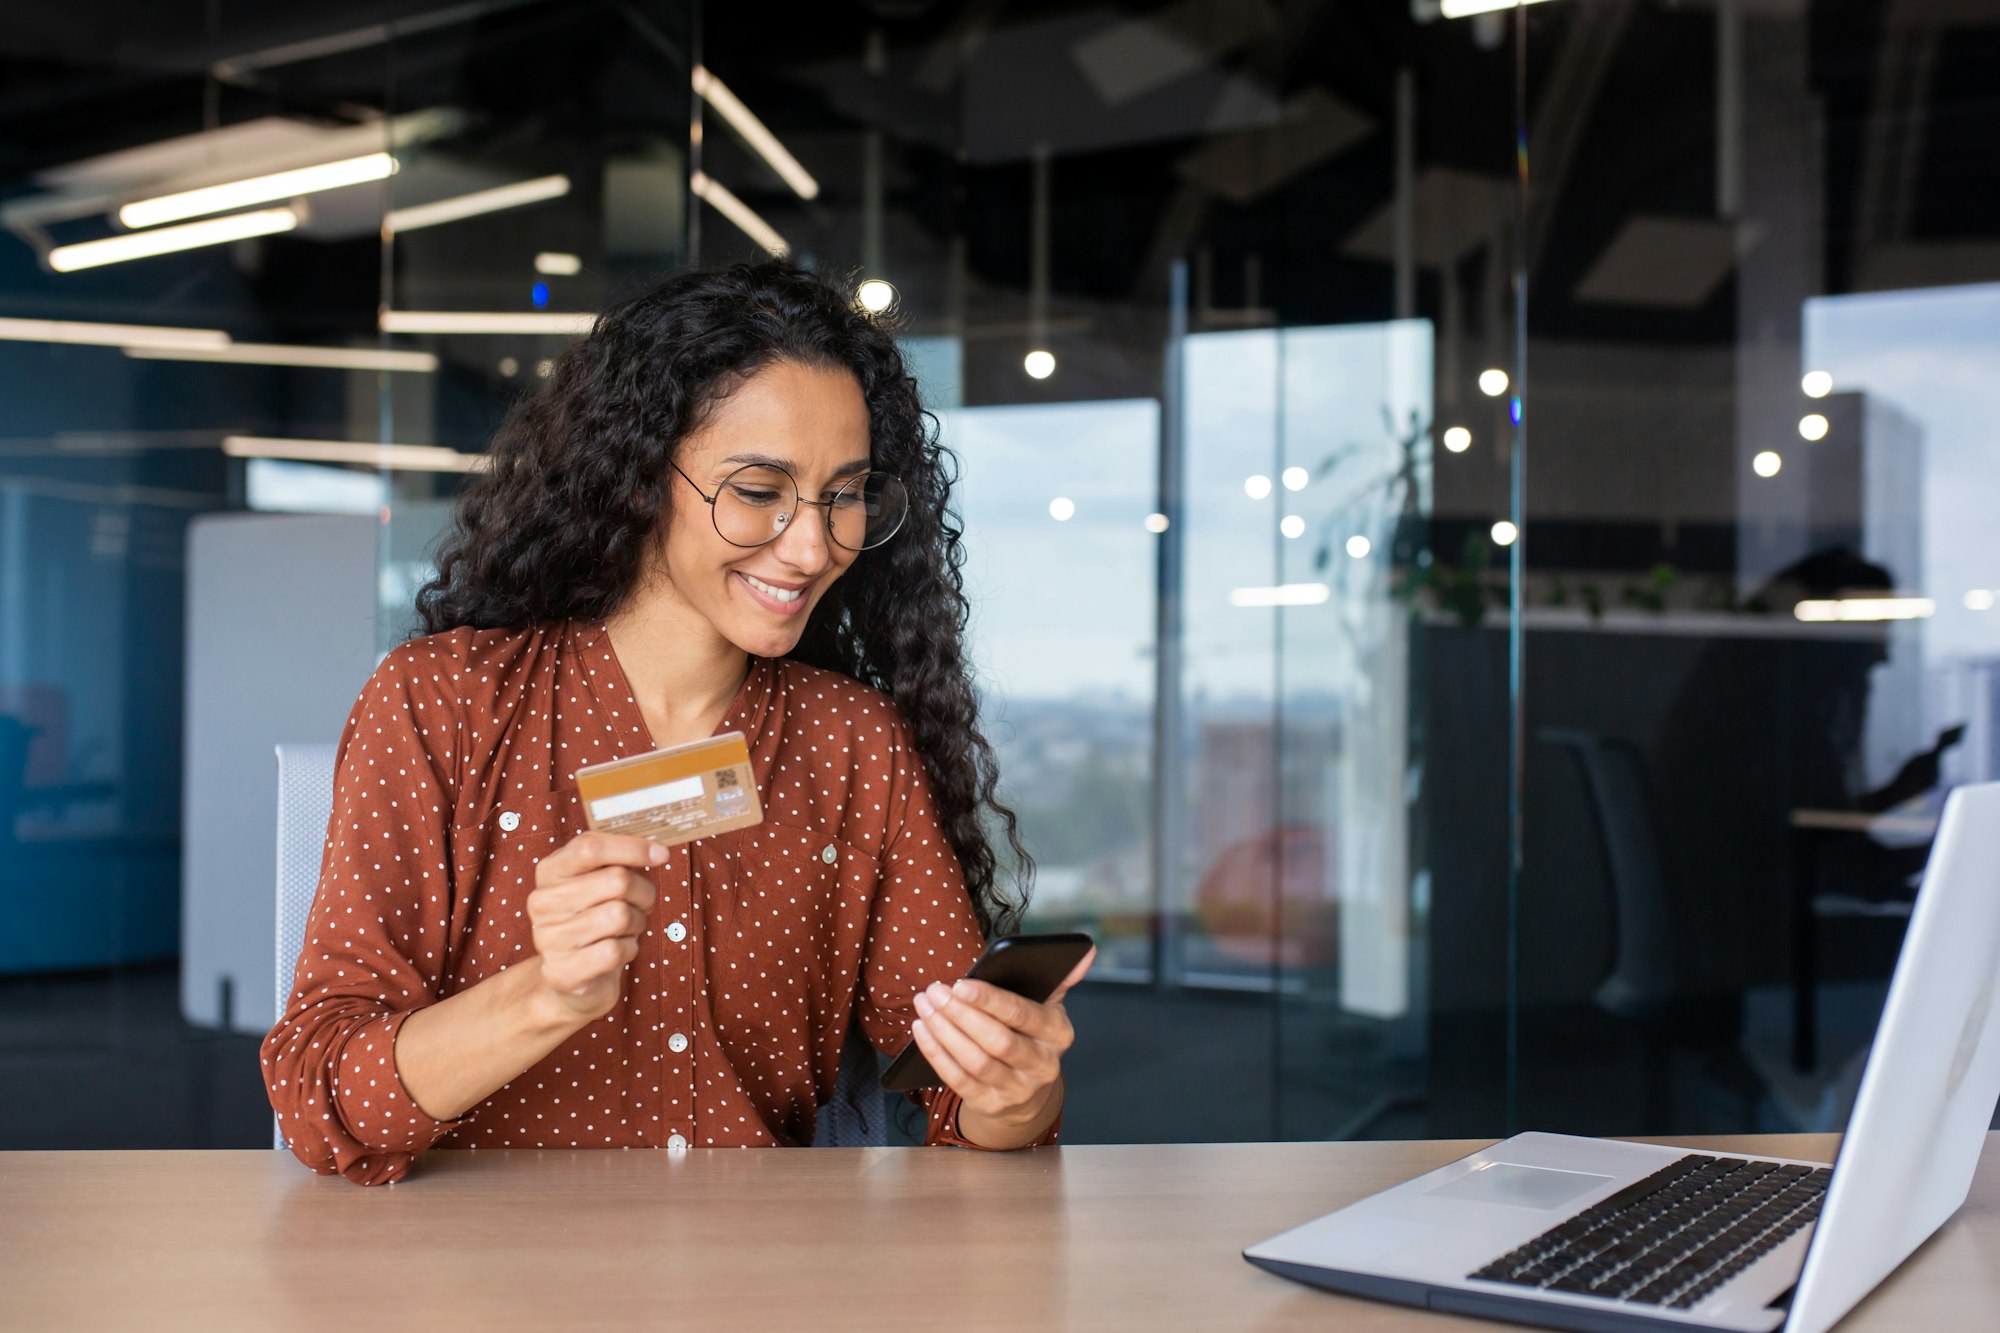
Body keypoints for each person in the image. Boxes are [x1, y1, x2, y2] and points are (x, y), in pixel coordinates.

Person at [263, 261, 1093, 1185]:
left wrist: (1011, 1090)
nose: (814, 545)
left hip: (754, 1283)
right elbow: (319, 1094)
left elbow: (959, 1097)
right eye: (756, 490)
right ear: (640, 474)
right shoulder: (444, 703)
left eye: (843, 494)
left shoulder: (851, 744)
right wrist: (544, 992)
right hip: (477, 1282)